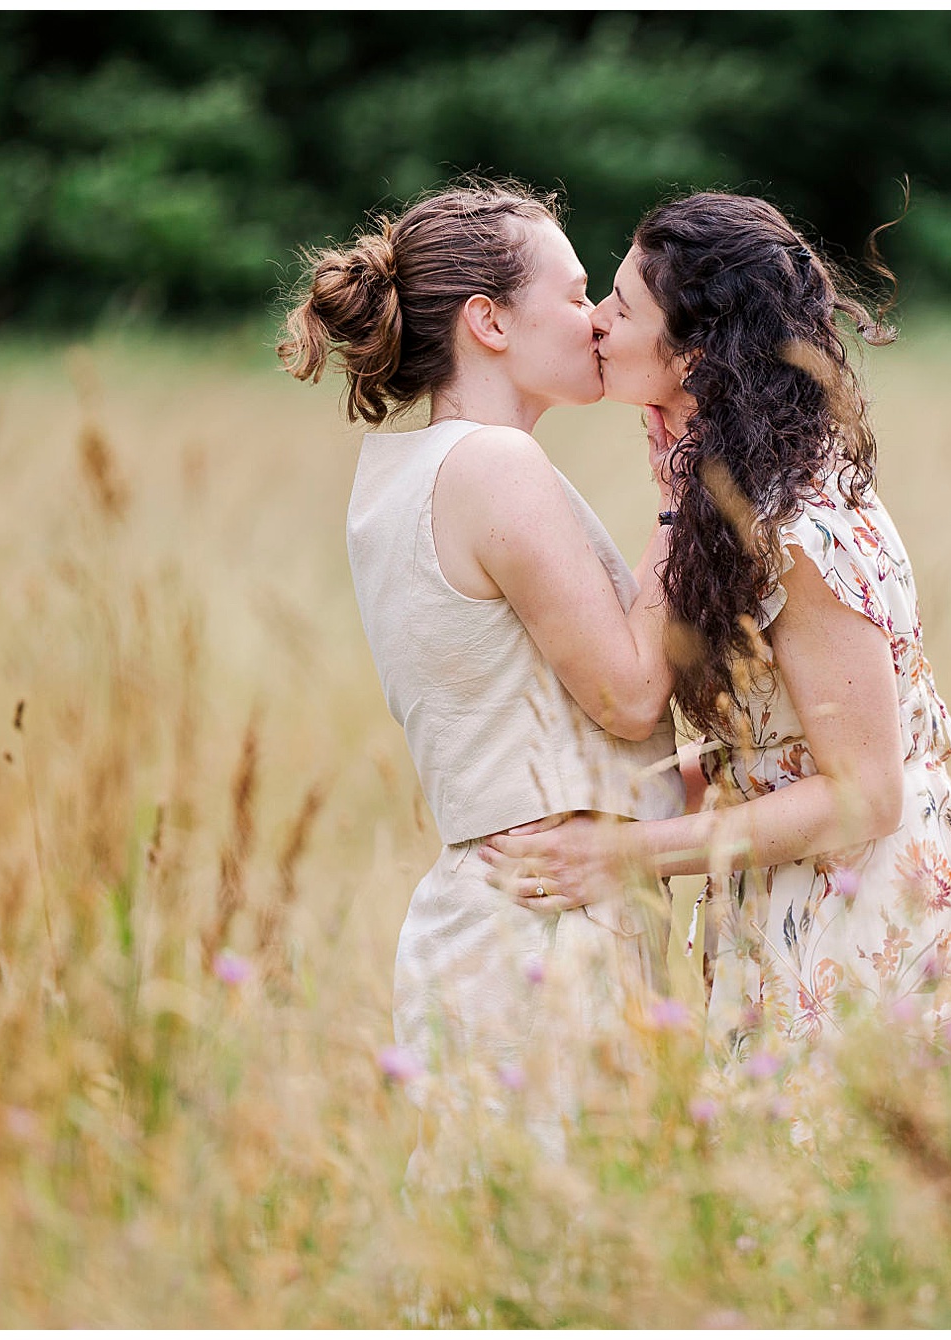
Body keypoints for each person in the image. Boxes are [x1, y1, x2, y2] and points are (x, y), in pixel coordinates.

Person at [479, 193, 951, 1065]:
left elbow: (863, 793)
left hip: (871, 918)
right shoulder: (742, 498)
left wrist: (629, 854)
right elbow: (771, 750)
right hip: (795, 902)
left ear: (694, 354)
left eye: (621, 307)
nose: (597, 326)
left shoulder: (797, 530)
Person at [279, 179, 685, 1169]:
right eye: (576, 290)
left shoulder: (401, 473)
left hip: (500, 908)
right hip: (547, 929)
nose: (596, 319)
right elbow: (630, 692)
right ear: (489, 321)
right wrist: (687, 496)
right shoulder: (495, 465)